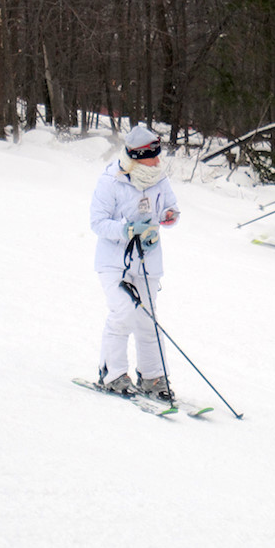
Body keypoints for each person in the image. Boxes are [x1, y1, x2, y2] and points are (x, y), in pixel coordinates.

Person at [90, 125, 180, 400]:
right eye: (152, 156)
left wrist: (167, 216)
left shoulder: (159, 179)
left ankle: (153, 378)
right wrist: (126, 229)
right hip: (114, 263)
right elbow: (97, 223)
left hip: (148, 262)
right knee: (123, 312)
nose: (157, 161)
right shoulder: (111, 180)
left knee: (147, 320)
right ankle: (113, 374)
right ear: (139, 156)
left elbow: (172, 209)